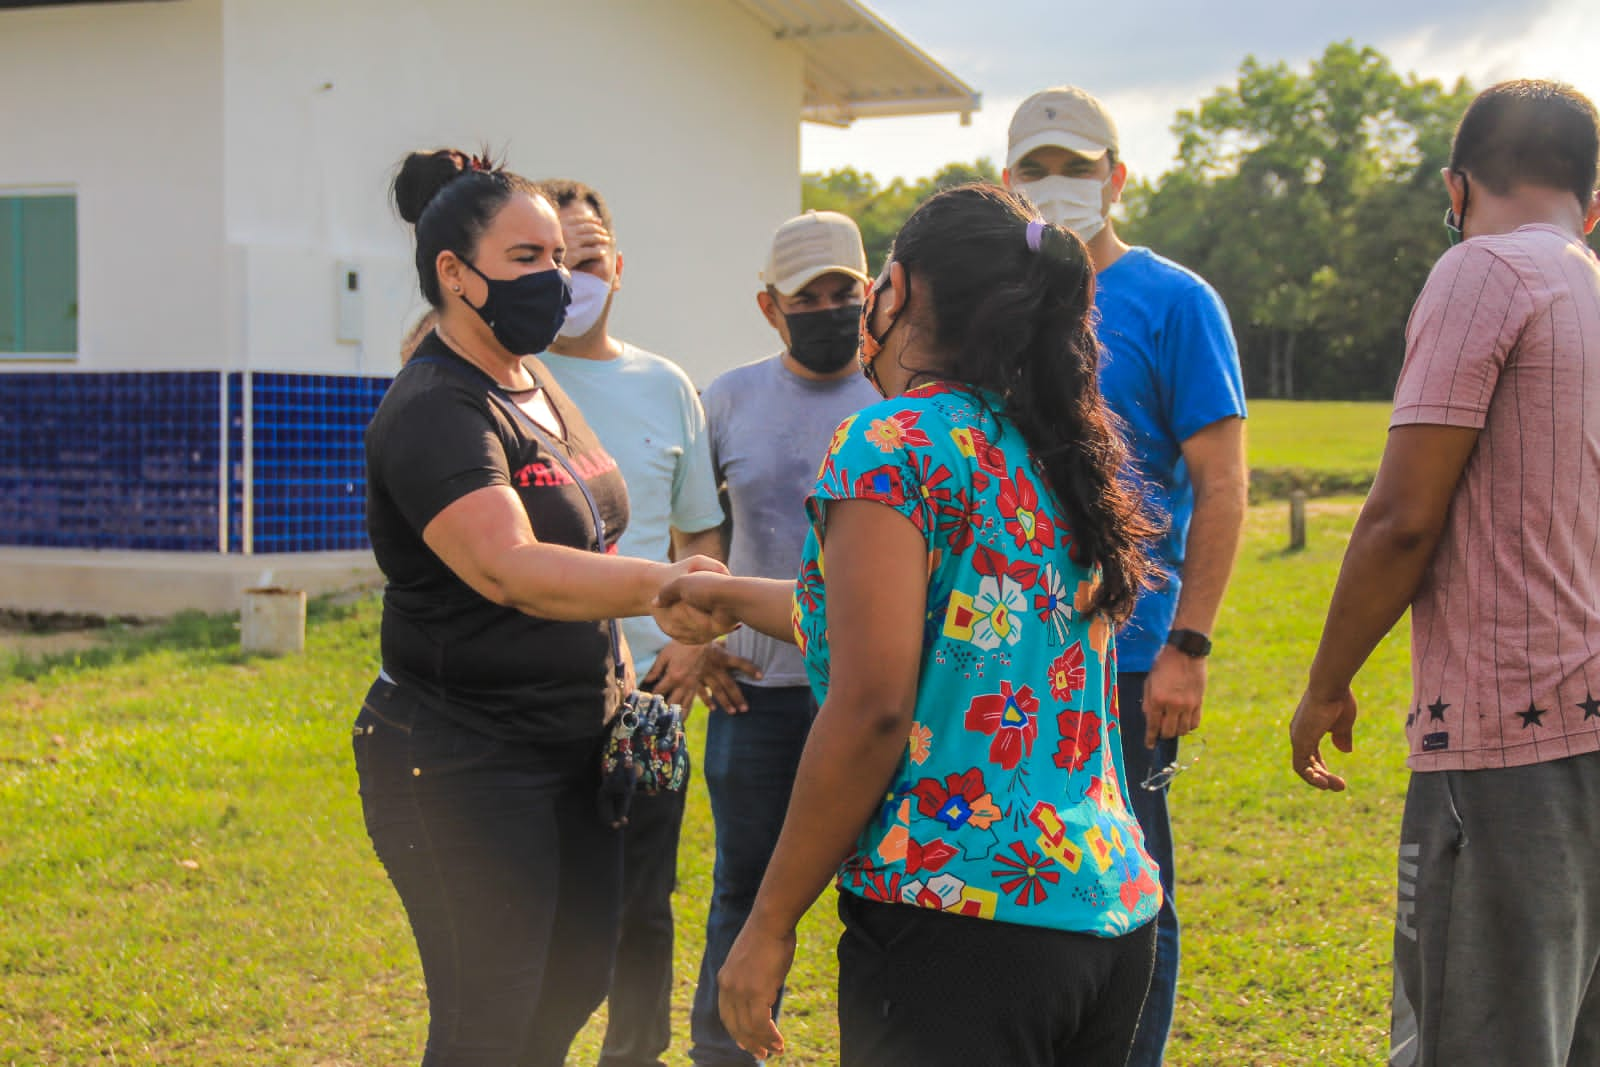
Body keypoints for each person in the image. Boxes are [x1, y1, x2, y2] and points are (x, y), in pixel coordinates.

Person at [661, 183, 1166, 1066]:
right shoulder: (1052, 446)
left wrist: (769, 921)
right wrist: (729, 596)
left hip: (962, 917)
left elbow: (874, 703)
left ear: (899, 292)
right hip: (1105, 911)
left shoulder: (891, 442)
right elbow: (926, 635)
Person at [354, 147, 727, 1067]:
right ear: (455, 273)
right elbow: (510, 566)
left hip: (574, 739)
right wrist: (668, 587)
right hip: (464, 755)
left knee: (576, 977)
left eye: (558, 257)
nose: (554, 279)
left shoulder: (534, 378)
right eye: (527, 259)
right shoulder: (436, 405)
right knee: (491, 1018)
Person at [1290, 80, 1600, 1067]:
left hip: (1505, 740)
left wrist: (1325, 680)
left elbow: (1399, 517)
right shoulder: (1587, 283)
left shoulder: (1481, 273)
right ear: (1594, 202)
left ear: (1452, 186)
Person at [1004, 85, 1249, 1065]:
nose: (1057, 186)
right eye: (1036, 169)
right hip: (1008, 648)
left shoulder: (1175, 300)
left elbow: (1222, 481)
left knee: (1130, 878)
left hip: (1133, 653)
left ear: (1117, 176)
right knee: (1016, 866)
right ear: (1008, 183)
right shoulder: (1000, 306)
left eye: (1075, 167)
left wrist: (1187, 642)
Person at [534, 177, 736, 1067]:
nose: (571, 277)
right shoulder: (511, 382)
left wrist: (698, 644)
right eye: (548, 260)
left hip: (651, 696)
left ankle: (635, 1055)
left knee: (642, 902)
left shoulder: (667, 385)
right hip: (536, 692)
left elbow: (701, 534)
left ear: (616, 267)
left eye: (584, 259)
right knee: (539, 903)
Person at [688, 210, 881, 1067]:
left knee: (883, 899)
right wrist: (698, 637)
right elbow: (699, 536)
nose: (832, 308)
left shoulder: (902, 399)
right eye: (810, 296)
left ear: (871, 293)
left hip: (876, 692)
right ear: (771, 307)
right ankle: (722, 1053)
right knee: (746, 889)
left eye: (847, 291)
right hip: (759, 693)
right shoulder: (726, 398)